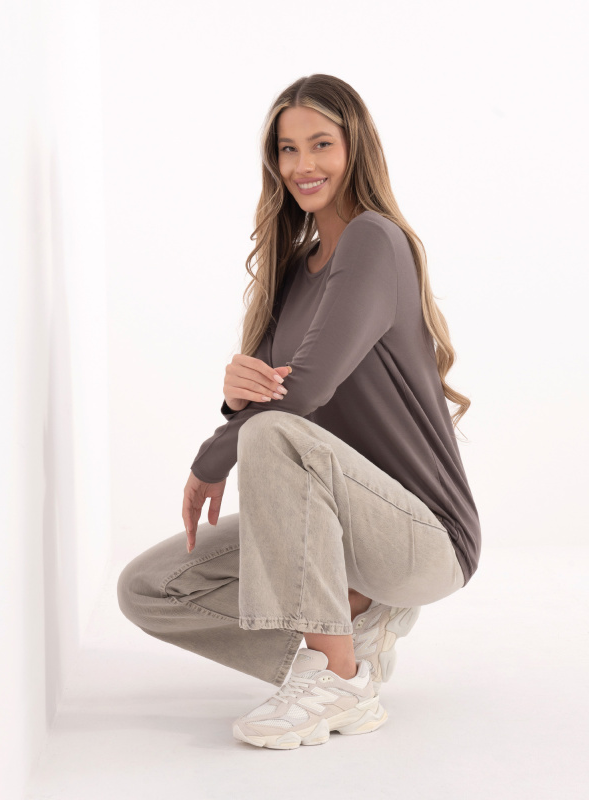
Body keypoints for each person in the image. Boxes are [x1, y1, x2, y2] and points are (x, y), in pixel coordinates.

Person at [117, 73, 482, 751]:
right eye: (287, 149)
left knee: (274, 434)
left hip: (423, 538)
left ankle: (336, 678)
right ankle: (353, 627)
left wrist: (209, 462)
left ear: (355, 148)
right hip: (336, 526)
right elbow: (264, 398)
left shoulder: (375, 239)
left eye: (321, 144)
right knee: (149, 587)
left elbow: (301, 392)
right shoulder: (293, 269)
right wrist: (234, 394)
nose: (302, 165)